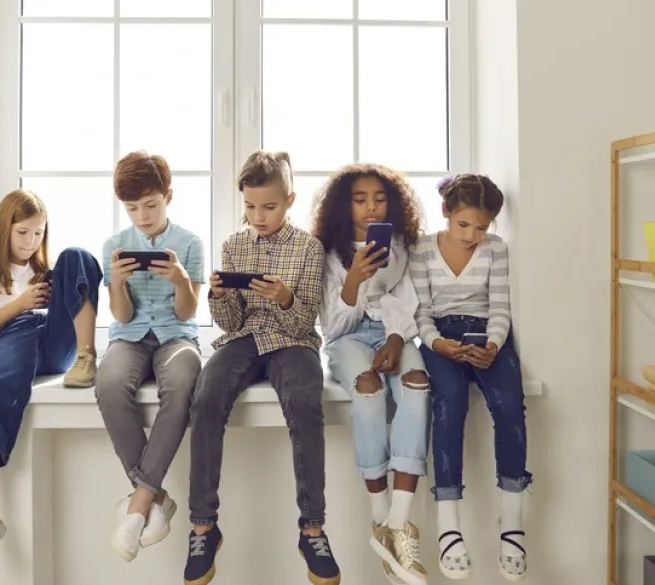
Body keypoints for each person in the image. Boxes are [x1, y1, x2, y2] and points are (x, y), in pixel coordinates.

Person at [182, 150, 340, 585]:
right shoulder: (233, 245)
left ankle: (313, 530)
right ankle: (203, 528)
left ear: (289, 200)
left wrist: (284, 297)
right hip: (245, 338)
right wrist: (219, 297)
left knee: (305, 404)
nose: (258, 216)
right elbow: (231, 323)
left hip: (293, 341)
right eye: (250, 206)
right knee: (206, 399)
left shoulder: (309, 248)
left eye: (268, 206)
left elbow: (304, 322)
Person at [0, 189, 102, 566]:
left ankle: (87, 355)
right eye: (23, 232)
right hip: (15, 332)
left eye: (38, 233)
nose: (30, 242)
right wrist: (20, 303)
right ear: (4, 228)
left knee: (77, 256)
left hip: (56, 339)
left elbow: (69, 295)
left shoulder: (46, 270)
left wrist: (50, 296)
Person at [409, 174, 531, 582]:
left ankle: (512, 522)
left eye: (481, 227)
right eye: (463, 224)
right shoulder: (422, 249)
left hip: (487, 338)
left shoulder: (495, 250)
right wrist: (436, 343)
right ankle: (449, 526)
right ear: (445, 212)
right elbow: (421, 312)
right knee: (450, 404)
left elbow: (500, 308)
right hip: (440, 338)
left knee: (509, 405)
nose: (471, 235)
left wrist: (493, 344)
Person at [314, 163, 430, 585]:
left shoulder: (399, 247)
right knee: (368, 389)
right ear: (344, 206)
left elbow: (406, 299)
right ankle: (380, 517)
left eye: (380, 199)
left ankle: (399, 524)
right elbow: (333, 326)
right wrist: (353, 279)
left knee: (417, 384)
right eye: (360, 200)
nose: (371, 207)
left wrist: (396, 339)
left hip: (395, 333)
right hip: (348, 338)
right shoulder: (329, 252)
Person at [95, 151, 205, 562]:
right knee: (108, 385)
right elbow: (121, 316)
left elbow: (187, 313)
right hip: (130, 336)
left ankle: (140, 502)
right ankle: (154, 496)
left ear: (168, 197)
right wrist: (118, 283)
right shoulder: (114, 246)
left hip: (177, 336)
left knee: (182, 384)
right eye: (132, 208)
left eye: (151, 205)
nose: (142, 216)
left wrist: (181, 280)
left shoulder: (190, 243)